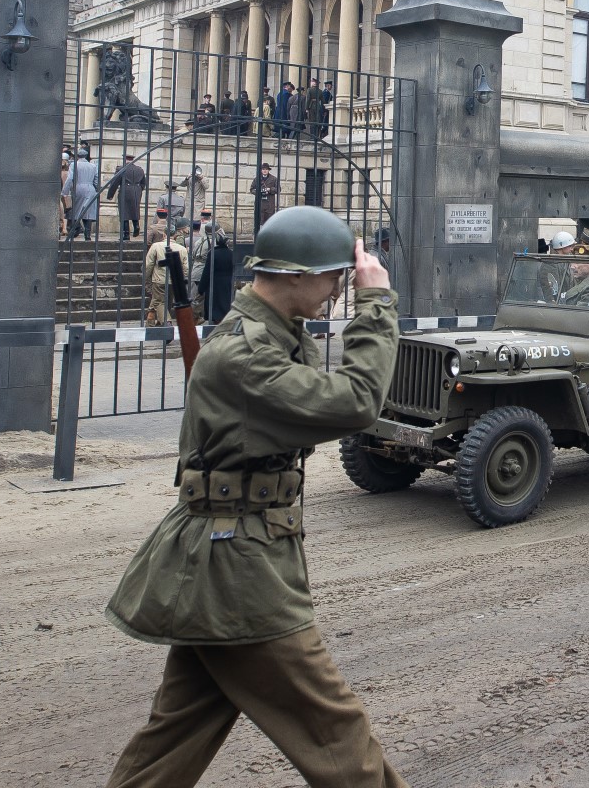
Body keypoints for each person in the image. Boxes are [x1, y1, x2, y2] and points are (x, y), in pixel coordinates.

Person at [103, 208, 409, 788]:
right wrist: (375, 304)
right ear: (295, 274)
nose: (340, 288)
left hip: (226, 558)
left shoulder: (270, 334)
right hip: (237, 569)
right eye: (334, 276)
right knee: (336, 733)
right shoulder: (245, 354)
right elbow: (355, 402)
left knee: (175, 737)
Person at [195, 222, 238, 324]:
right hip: (228, 282)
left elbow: (207, 271)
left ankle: (216, 320)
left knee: (215, 304)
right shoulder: (231, 254)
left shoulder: (213, 253)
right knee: (226, 302)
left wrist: (201, 288)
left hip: (215, 283)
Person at [104, 153, 148, 242]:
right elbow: (143, 183)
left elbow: (115, 182)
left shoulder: (121, 169)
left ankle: (126, 234)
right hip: (137, 191)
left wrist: (110, 195)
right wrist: (138, 189)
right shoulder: (140, 169)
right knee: (135, 209)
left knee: (124, 212)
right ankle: (136, 226)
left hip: (125, 191)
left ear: (125, 159)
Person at [62, 145, 101, 241]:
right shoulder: (93, 166)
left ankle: (74, 230)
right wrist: (96, 189)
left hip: (78, 188)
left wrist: (65, 191)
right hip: (90, 188)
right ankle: (87, 235)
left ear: (78, 156)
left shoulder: (74, 165)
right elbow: (96, 180)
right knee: (88, 211)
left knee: (76, 210)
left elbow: (70, 178)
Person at [142, 226, 172, 325]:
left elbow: (149, 264)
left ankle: (165, 322)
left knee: (159, 300)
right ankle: (157, 321)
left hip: (159, 278)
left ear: (164, 235)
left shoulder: (156, 246)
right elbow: (185, 267)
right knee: (167, 301)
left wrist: (146, 277)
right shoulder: (181, 247)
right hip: (174, 278)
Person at [250, 163, 280, 229]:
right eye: (263, 169)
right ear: (261, 170)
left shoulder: (274, 179)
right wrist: (259, 192)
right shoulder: (257, 179)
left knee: (269, 222)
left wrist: (270, 189)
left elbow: (278, 189)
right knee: (259, 221)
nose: (265, 170)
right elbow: (252, 189)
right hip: (260, 203)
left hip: (269, 204)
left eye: (266, 169)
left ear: (268, 170)